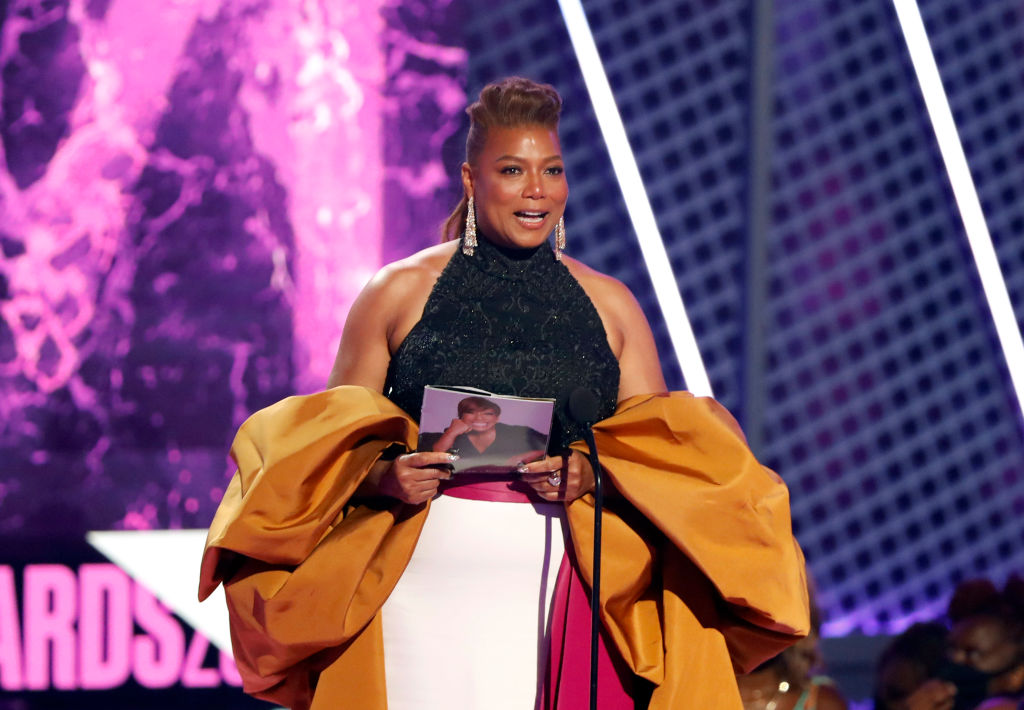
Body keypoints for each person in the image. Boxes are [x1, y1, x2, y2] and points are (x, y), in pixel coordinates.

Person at [199, 76, 810, 709]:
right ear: (471, 179)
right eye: (513, 170)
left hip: (564, 585)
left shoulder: (611, 306)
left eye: (553, 170)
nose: (537, 189)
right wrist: (387, 477)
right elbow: (329, 451)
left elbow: (660, 460)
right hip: (415, 583)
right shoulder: (396, 292)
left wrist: (592, 472)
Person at [425, 395, 547, 469]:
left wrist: (523, 456)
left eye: (488, 413)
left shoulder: (516, 431)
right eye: (470, 412)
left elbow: (546, 448)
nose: (479, 418)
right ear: (460, 416)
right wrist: (451, 433)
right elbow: (435, 456)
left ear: (497, 418)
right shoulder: (452, 434)